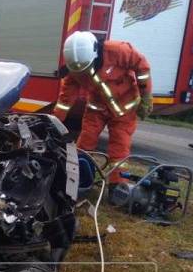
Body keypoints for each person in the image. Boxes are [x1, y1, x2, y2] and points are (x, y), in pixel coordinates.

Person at [53, 31, 153, 183]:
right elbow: (65, 101)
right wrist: (55, 122)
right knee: (85, 144)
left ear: (95, 54)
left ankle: (117, 185)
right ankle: (81, 179)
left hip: (124, 111)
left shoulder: (118, 51)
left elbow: (142, 67)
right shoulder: (74, 69)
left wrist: (146, 96)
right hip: (96, 110)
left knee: (119, 149)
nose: (83, 73)